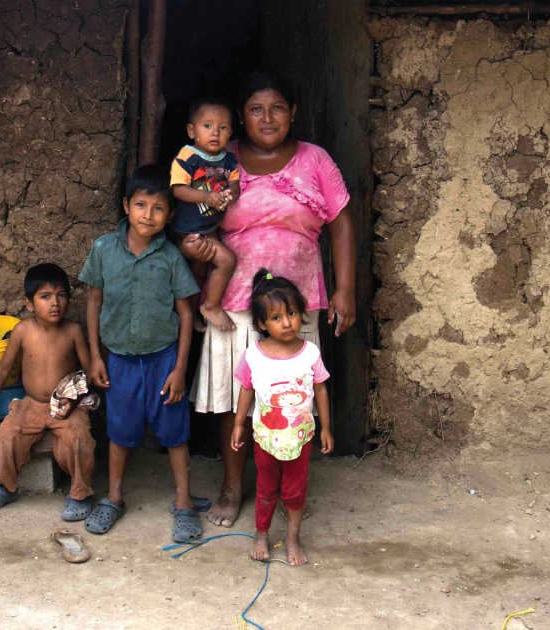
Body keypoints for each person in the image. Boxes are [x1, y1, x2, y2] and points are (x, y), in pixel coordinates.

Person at [185, 71, 357, 528]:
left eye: (278, 108)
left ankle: (284, 489)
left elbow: (341, 224)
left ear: (293, 113)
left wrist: (344, 289)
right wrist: (195, 251)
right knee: (233, 397)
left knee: (291, 399)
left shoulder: (315, 159)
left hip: (295, 307)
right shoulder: (221, 158)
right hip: (234, 301)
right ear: (241, 116)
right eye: (256, 109)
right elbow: (188, 213)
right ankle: (231, 486)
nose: (267, 117)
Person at [79, 164, 204, 542]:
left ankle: (184, 503)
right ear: (126, 206)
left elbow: (186, 314)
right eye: (140, 205)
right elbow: (93, 303)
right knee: (120, 431)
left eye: (158, 208)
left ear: (169, 217)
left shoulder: (170, 257)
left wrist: (180, 369)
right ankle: (114, 496)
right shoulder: (104, 249)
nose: (148, 215)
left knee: (174, 432)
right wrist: (96, 357)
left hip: (164, 359)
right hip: (119, 360)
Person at [0, 264, 99, 522]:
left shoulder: (73, 332)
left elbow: (88, 373)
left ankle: (81, 493)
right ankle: (4, 487)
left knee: (78, 438)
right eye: (45, 296)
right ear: (29, 304)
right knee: (6, 435)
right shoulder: (22, 331)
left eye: (62, 295)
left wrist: (73, 399)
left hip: (66, 404)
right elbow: (3, 370)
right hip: (32, 404)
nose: (55, 303)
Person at [230, 270, 332, 566]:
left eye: (292, 313)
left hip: (300, 438)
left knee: (295, 491)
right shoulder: (254, 355)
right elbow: (246, 391)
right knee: (266, 488)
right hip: (265, 437)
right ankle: (261, 536)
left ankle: (292, 539)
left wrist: (325, 427)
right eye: (276, 318)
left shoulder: (310, 352)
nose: (287, 323)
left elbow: (321, 391)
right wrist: (238, 425)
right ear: (262, 324)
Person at [169, 96, 241, 333]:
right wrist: (206, 197)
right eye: (207, 126)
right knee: (226, 261)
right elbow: (178, 188)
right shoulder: (188, 156)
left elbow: (235, 186)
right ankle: (210, 306)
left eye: (223, 127)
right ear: (192, 130)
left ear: (230, 132)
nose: (215, 132)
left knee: (198, 274)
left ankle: (191, 317)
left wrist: (229, 195)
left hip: (209, 229)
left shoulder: (229, 159)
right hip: (189, 230)